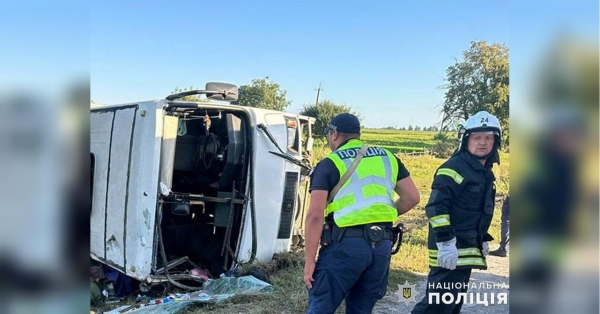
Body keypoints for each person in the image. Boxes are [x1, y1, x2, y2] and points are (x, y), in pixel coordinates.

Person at [303, 113, 420, 314]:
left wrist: (309, 261)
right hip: (382, 246)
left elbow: (315, 216)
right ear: (358, 134)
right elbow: (412, 197)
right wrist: (380, 217)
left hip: (344, 246)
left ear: (334, 134)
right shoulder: (388, 157)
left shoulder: (330, 163)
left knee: (321, 306)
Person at [411, 111, 502, 314]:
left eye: (488, 138)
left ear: (496, 141)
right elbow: (436, 207)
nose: (482, 143)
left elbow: (476, 210)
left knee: (451, 306)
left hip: (465, 248)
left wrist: (482, 238)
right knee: (435, 307)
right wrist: (445, 242)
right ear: (466, 140)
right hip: (449, 250)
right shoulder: (454, 168)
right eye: (477, 137)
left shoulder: (484, 172)